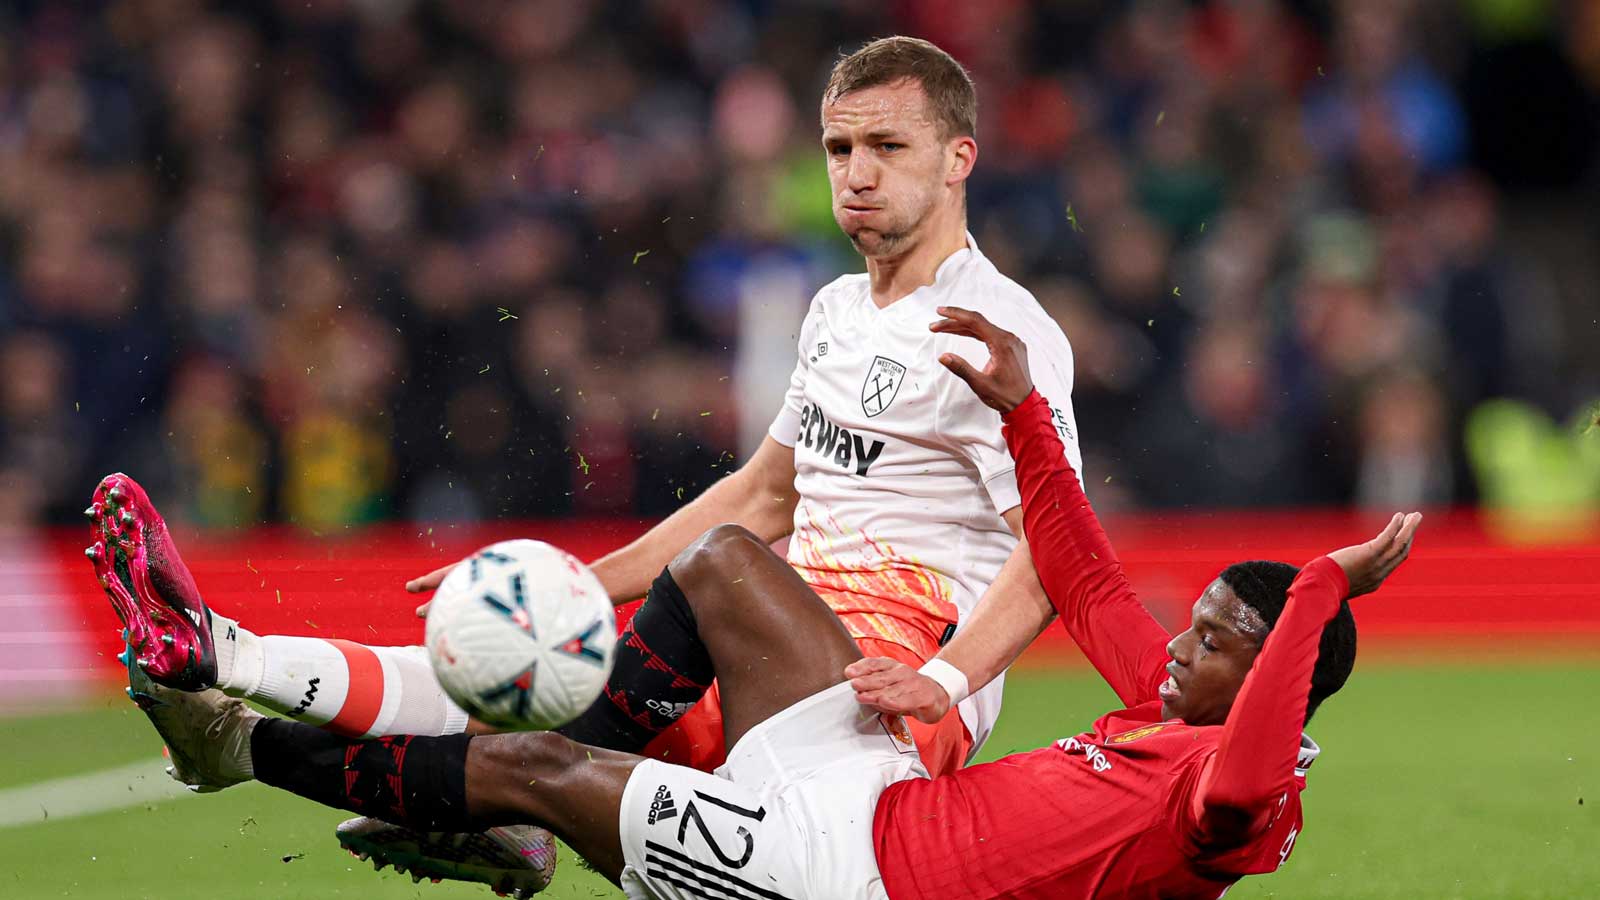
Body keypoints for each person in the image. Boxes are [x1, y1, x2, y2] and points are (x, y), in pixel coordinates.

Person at [89, 35, 1083, 893]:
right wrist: (573, 586)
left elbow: (1052, 556)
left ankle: (236, 681)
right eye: (838, 147)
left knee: (614, 662)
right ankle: (224, 687)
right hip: (760, 639)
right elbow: (766, 491)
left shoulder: (998, 330)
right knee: (526, 695)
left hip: (878, 690)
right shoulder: (831, 312)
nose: (856, 172)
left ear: (959, 159)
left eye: (886, 147)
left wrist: (947, 683)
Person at [109, 306, 1420, 899]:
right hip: (875, 788)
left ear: (1275, 679)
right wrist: (1025, 411)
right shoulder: (1171, 705)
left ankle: (249, 751)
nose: (1178, 645)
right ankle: (527, 793)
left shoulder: (1239, 799)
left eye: (1215, 645)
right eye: (1196, 624)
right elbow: (1077, 574)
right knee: (727, 566)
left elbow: (1242, 786)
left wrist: (1313, 592)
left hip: (836, 877)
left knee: (530, 765)